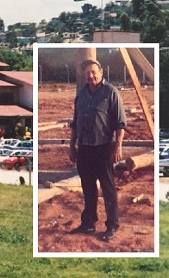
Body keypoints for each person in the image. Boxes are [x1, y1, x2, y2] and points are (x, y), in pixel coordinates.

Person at [68, 59, 127, 242]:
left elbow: (120, 124)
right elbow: (75, 123)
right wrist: (72, 146)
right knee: (88, 188)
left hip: (103, 149)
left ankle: (112, 226)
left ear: (101, 73)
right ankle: (88, 223)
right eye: (87, 73)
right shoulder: (81, 94)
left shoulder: (111, 93)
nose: (90, 76)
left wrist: (117, 146)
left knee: (108, 189)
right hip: (84, 148)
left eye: (93, 72)